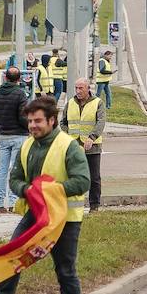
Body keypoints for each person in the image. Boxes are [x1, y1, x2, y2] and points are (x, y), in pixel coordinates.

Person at [0, 95, 90, 294]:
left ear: (52, 120)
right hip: (35, 216)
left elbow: (82, 181)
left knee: (65, 271)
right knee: (11, 258)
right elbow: (15, 179)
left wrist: (50, 189)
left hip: (65, 220)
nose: (33, 126)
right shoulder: (26, 146)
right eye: (30, 121)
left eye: (38, 121)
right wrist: (26, 190)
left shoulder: (69, 146)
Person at [0, 65, 29, 214]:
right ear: (19, 79)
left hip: (2, 136)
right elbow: (22, 117)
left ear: (5, 77)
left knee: (2, 170)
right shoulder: (20, 94)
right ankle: (13, 203)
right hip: (19, 135)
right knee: (15, 170)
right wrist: (28, 129)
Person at [64, 78, 106, 212]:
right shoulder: (70, 103)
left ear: (88, 88)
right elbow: (63, 122)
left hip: (92, 146)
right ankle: (75, 206)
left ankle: (94, 206)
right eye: (76, 88)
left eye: (81, 88)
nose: (78, 91)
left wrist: (92, 137)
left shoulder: (98, 103)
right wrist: (67, 136)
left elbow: (101, 122)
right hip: (74, 147)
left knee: (94, 177)